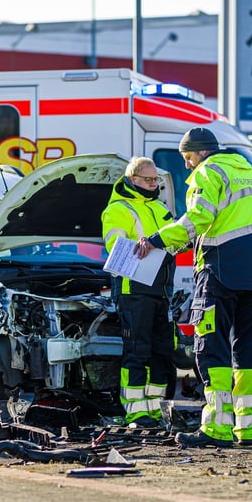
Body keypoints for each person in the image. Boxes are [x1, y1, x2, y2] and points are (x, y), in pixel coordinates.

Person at [136, 128, 252, 447]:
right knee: (247, 352)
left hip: (221, 272)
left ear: (200, 153)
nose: (187, 166)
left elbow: (199, 218)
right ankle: (248, 429)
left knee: (211, 348)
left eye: (187, 158)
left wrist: (158, 239)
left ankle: (216, 429)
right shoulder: (251, 175)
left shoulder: (208, 172)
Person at [101, 156, 180, 428]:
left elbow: (177, 238)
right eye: (148, 180)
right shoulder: (118, 208)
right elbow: (115, 244)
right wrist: (143, 245)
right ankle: (135, 412)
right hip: (134, 289)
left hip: (161, 290)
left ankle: (155, 410)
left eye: (156, 179)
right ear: (133, 180)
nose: (154, 184)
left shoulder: (159, 207)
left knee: (162, 352)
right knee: (138, 351)